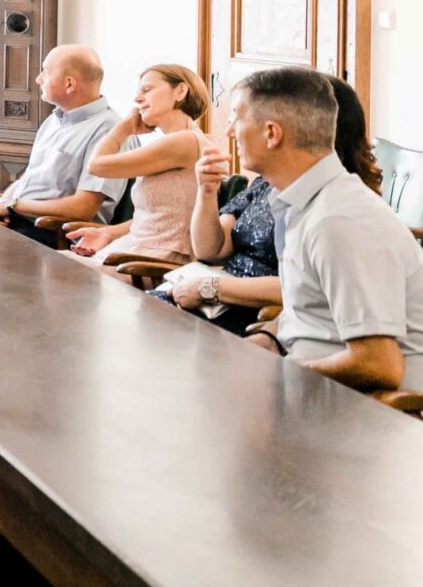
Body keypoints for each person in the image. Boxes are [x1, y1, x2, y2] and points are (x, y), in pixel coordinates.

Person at [232, 67, 423, 390]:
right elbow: (314, 313)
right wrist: (268, 341)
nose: (229, 131)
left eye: (237, 117)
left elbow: (380, 365)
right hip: (317, 389)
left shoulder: (337, 221)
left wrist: (279, 374)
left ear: (271, 133)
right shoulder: (304, 202)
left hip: (365, 414)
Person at [166, 73, 384, 333]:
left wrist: (210, 288)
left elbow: (307, 290)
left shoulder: (332, 206)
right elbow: (209, 249)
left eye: (239, 117)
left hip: (252, 313)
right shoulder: (268, 182)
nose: (229, 131)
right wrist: (207, 191)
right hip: (215, 299)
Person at [0, 46, 125, 245]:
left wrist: (13, 206)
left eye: (46, 71)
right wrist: (3, 203)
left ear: (69, 84)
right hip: (20, 219)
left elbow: (84, 208)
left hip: (54, 234)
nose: (38, 79)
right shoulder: (54, 120)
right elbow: (28, 180)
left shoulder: (109, 131)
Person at [67, 64, 212, 269]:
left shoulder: (185, 141)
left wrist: (124, 128)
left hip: (155, 260)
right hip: (136, 250)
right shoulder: (178, 141)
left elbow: (97, 166)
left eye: (147, 90)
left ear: (180, 91)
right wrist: (108, 232)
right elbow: (158, 217)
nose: (137, 99)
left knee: (50, 272)